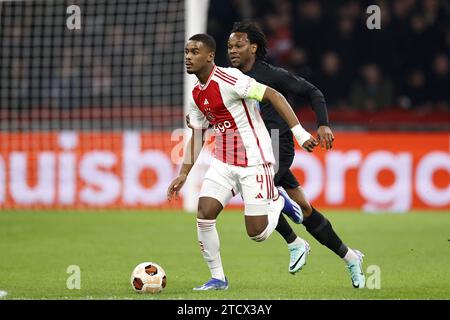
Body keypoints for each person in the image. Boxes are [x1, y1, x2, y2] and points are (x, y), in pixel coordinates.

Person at [167, 33, 318, 290]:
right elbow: (200, 132)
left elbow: (274, 96)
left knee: (257, 234)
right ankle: (218, 278)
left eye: (194, 52)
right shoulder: (196, 94)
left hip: (254, 160)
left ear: (210, 56)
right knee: (204, 213)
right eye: (186, 52)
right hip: (223, 162)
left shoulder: (231, 79)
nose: (188, 57)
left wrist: (300, 133)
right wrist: (183, 174)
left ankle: (279, 199)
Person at [225, 21, 366, 289]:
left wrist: (322, 123)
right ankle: (350, 258)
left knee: (256, 190)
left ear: (253, 48)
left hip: (278, 144)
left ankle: (294, 242)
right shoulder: (229, 79)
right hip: (255, 148)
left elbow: (313, 92)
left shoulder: (272, 75)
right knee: (305, 208)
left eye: (239, 45)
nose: (232, 50)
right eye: (230, 46)